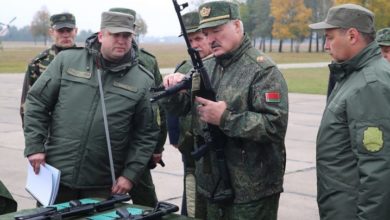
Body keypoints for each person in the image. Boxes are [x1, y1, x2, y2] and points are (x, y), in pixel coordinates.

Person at [162, 1, 289, 219]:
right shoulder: (206, 67)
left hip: (250, 192)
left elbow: (274, 126)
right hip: (210, 185)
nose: (211, 39)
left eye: (217, 30)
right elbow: (184, 108)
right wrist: (172, 92)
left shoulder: (262, 71)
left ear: (238, 26)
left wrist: (225, 118)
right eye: (206, 33)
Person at [23, 11, 159, 203]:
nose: (121, 40)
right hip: (57, 178)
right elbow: (37, 102)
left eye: (126, 36)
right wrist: (35, 146)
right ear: (101, 35)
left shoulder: (143, 79)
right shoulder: (67, 61)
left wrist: (130, 175)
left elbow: (146, 133)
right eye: (115, 34)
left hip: (103, 184)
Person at [309, 4, 390, 219]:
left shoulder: (369, 84)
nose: (326, 46)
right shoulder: (353, 75)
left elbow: (377, 168)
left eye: (330, 37)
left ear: (352, 35)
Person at [108, 7, 167, 208]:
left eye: (128, 30)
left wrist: (158, 147)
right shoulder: (98, 58)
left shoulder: (147, 61)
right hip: (107, 144)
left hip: (138, 146)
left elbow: (159, 107)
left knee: (147, 202)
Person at [166, 11, 212, 218]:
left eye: (199, 38)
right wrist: (174, 137)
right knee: (192, 204)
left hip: (215, 150)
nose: (194, 44)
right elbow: (172, 109)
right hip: (191, 152)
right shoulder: (184, 67)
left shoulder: (221, 66)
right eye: (190, 39)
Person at [20, 13, 78, 124]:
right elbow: (27, 105)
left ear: (76, 31)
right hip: (49, 131)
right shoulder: (38, 63)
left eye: (69, 30)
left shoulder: (88, 60)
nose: (65, 35)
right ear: (51, 32)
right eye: (61, 31)